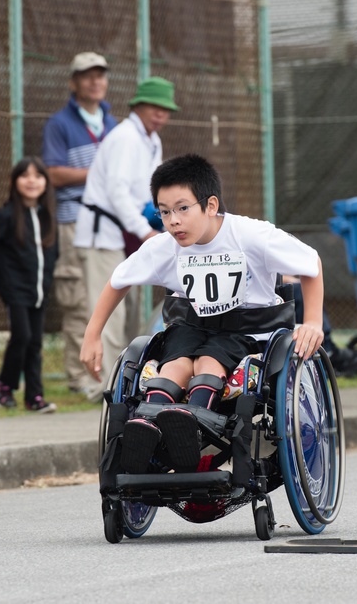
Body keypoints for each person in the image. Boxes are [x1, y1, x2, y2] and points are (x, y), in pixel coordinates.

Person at [81, 154, 324, 474]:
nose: (173, 221)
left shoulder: (251, 236)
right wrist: (92, 335)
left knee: (208, 362)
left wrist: (314, 322)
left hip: (246, 328)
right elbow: (118, 281)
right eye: (164, 212)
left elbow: (310, 263)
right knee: (174, 365)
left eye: (182, 208)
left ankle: (191, 428)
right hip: (191, 324)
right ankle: (147, 425)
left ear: (210, 205)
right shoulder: (163, 247)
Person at [73, 76, 178, 394]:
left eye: (165, 109)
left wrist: (161, 222)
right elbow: (117, 192)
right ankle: (97, 385)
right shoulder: (124, 137)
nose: (159, 114)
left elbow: (152, 190)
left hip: (131, 232)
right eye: (153, 107)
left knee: (130, 312)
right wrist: (145, 231)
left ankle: (125, 380)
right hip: (104, 234)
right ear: (138, 107)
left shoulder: (151, 140)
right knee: (106, 311)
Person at [42, 52, 119, 401]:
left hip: (112, 225)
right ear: (74, 82)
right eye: (87, 76)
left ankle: (110, 374)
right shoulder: (60, 123)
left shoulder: (114, 123)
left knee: (109, 299)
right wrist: (101, 174)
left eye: (100, 75)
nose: (95, 81)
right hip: (74, 222)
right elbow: (54, 173)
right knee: (77, 299)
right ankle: (79, 377)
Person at [0, 157, 59, 413]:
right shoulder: (6, 215)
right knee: (21, 336)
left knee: (34, 341)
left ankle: (35, 396)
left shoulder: (47, 218)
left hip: (39, 289)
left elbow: (54, 252)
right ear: (14, 182)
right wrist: (4, 274)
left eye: (38, 175)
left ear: (46, 183)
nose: (32, 181)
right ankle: (5, 384)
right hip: (15, 289)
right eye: (25, 175)